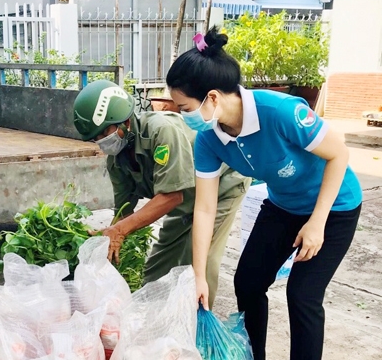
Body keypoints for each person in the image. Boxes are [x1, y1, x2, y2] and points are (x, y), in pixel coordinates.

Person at [166, 27, 362, 360]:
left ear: (212, 98)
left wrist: (317, 223)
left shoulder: (281, 112)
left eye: (184, 108)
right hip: (283, 206)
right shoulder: (209, 140)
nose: (181, 115)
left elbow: (339, 154)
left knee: (303, 295)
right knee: (248, 283)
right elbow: (204, 209)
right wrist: (199, 276)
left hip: (334, 206)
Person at [72, 80, 251, 307]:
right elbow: (124, 211)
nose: (101, 142)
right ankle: (148, 315)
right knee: (157, 265)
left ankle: (199, 324)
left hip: (222, 186)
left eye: (104, 133)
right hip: (187, 198)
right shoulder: (117, 160)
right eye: (95, 139)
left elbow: (171, 197)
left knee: (199, 262)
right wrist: (110, 235)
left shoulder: (160, 131)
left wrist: (119, 230)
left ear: (125, 122)